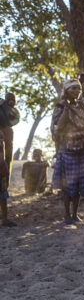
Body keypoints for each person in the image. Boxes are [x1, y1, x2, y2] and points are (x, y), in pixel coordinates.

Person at [51, 79, 84, 224]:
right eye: (73, 89)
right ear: (66, 91)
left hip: (83, 149)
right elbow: (59, 125)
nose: (77, 91)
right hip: (68, 151)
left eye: (78, 88)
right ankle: (66, 215)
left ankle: (75, 214)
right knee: (67, 186)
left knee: (78, 185)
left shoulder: (82, 104)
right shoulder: (60, 106)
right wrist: (66, 108)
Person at [0, 93, 20, 227]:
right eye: (9, 100)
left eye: (13, 100)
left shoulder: (8, 130)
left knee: (3, 188)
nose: (11, 102)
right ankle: (5, 219)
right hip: (2, 163)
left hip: (4, 164)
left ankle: (5, 218)